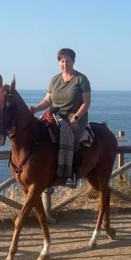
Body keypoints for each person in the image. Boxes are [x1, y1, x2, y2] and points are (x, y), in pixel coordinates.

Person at [29, 48, 92, 187]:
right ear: (59, 63)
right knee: (39, 135)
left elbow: (86, 103)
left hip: (75, 117)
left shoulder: (81, 79)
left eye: (68, 61)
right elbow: (47, 101)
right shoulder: (54, 80)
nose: (65, 64)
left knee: (69, 137)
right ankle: (46, 175)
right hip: (55, 115)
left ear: (73, 62)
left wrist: (76, 118)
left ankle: (71, 174)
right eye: (62, 61)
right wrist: (35, 108)